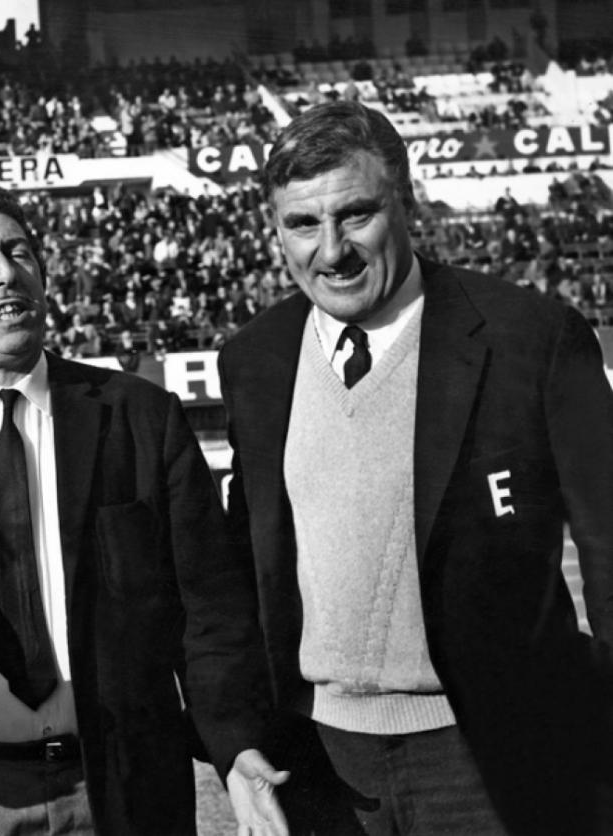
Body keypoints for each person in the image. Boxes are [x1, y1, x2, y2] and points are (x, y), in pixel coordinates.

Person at [0, 182, 287, 835]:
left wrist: (237, 748)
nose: (7, 273)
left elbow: (210, 613)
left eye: (20, 252)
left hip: (118, 791)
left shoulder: (139, 419)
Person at [217, 100, 613, 835]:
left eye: (356, 215)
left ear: (406, 201)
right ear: (274, 230)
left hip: (491, 752)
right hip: (320, 762)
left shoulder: (532, 336)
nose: (331, 250)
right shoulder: (255, 359)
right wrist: (239, 733)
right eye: (302, 224)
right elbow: (243, 569)